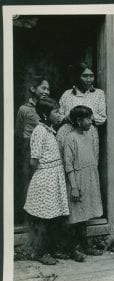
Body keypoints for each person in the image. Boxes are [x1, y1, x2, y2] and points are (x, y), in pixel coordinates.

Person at [24, 97, 69, 265]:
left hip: (54, 178)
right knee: (44, 218)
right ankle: (41, 252)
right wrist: (43, 176)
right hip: (45, 180)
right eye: (56, 112)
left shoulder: (49, 130)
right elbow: (33, 160)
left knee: (55, 216)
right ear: (44, 114)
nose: (59, 115)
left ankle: (53, 249)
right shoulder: (39, 131)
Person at [62, 105, 103, 261]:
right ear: (78, 121)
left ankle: (85, 246)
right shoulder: (70, 138)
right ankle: (72, 249)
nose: (91, 121)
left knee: (84, 215)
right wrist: (73, 187)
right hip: (78, 181)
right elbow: (69, 165)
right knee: (75, 216)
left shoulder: (88, 135)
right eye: (88, 119)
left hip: (89, 179)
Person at [15, 75, 50, 222]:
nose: (47, 91)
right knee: (28, 181)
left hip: (46, 151)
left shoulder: (48, 108)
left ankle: (42, 216)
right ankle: (26, 216)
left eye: (48, 89)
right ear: (33, 89)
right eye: (43, 88)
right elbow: (18, 132)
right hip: (29, 150)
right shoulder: (24, 109)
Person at [57, 62, 107, 162]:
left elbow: (102, 118)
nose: (89, 79)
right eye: (85, 76)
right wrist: (68, 117)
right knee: (68, 166)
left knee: (86, 167)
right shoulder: (67, 94)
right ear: (77, 77)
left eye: (91, 76)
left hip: (88, 136)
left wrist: (86, 118)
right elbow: (58, 117)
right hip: (67, 135)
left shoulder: (98, 94)